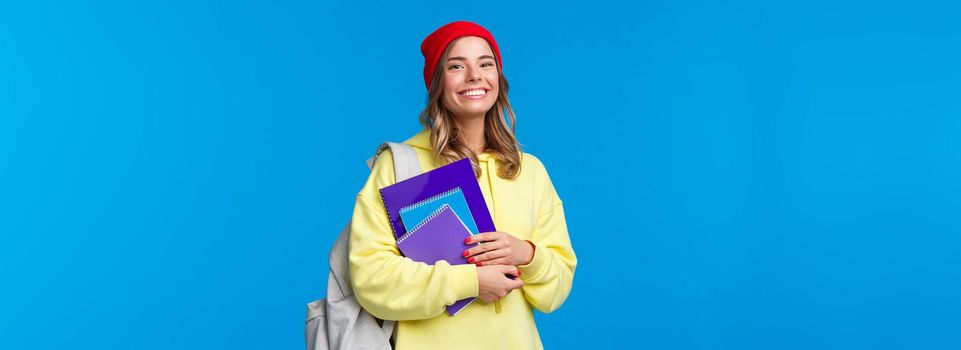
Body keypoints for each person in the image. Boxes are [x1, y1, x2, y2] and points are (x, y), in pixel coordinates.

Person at [348, 21, 576, 349]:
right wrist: (470, 282)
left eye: (486, 64)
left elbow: (557, 291)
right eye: (457, 66)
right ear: (437, 82)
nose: (475, 76)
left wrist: (526, 254)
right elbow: (372, 281)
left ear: (499, 77)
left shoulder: (530, 171)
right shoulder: (400, 166)